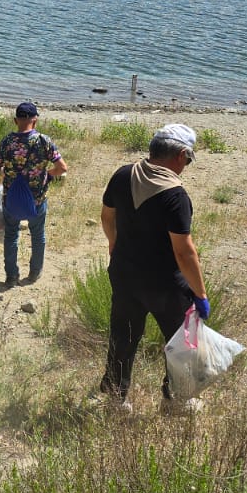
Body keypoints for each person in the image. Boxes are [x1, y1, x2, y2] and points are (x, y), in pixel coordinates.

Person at [96, 124, 210, 416]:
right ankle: (176, 400)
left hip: (124, 273)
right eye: (188, 160)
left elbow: (107, 216)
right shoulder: (175, 195)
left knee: (123, 335)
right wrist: (200, 294)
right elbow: (184, 252)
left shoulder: (123, 175)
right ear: (181, 155)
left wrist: (114, 245)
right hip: (164, 284)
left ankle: (114, 399)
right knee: (181, 343)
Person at [0, 102, 69, 287]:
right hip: (37, 198)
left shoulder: (7, 141)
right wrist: (47, 175)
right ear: (35, 120)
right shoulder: (43, 141)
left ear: (15, 120)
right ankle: (34, 273)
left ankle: (11, 276)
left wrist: (6, 172)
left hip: (11, 198)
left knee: (11, 235)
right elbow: (62, 168)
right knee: (38, 234)